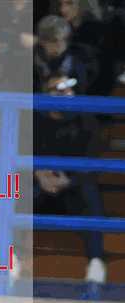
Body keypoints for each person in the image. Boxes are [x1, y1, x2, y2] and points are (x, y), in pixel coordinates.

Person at [35, 74, 107, 283]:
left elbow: (92, 162)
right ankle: (9, 257)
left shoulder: (87, 121)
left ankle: (95, 261)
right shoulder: (35, 120)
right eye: (59, 90)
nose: (67, 93)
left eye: (69, 88)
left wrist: (69, 181)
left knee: (90, 194)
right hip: (40, 184)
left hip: (72, 186)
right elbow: (22, 152)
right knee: (15, 191)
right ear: (47, 95)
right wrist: (37, 174)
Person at [34, 14, 99, 93]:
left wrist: (68, 86)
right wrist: (45, 87)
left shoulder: (77, 61)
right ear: (42, 41)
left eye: (63, 40)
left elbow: (81, 85)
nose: (59, 46)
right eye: (53, 41)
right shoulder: (33, 61)